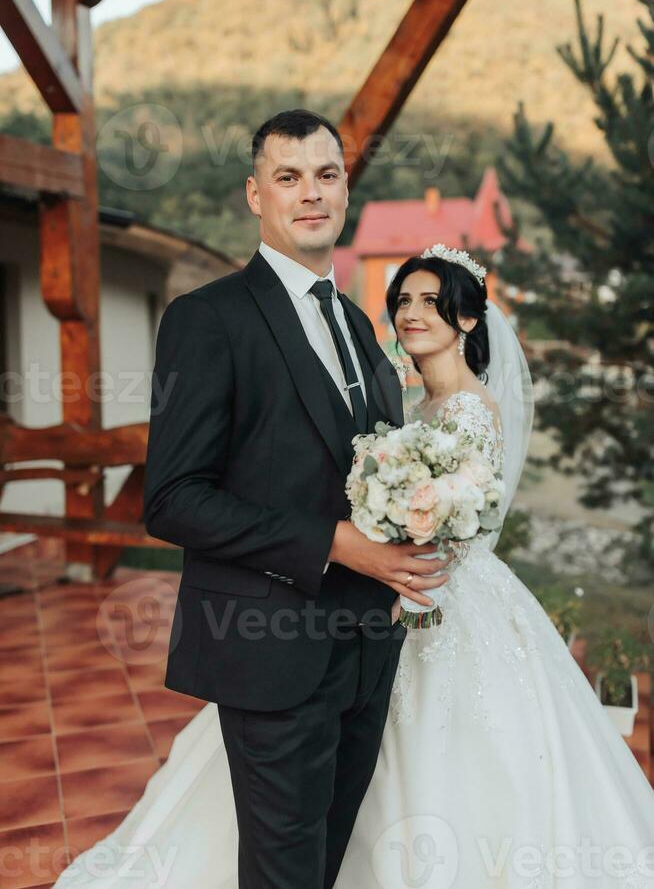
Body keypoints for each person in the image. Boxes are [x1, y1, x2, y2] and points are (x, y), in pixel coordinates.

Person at [54, 150, 654, 889]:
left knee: (349, 842)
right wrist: (341, 538)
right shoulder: (209, 318)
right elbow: (174, 497)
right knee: (285, 860)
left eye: (327, 174)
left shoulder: (361, 337)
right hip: (280, 641)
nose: (410, 314)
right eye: (287, 176)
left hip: (382, 638)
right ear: (254, 193)